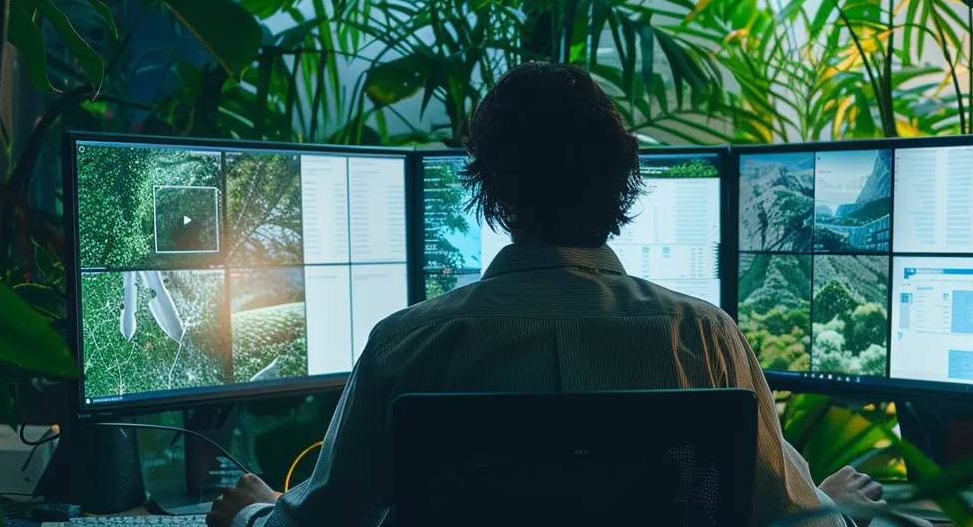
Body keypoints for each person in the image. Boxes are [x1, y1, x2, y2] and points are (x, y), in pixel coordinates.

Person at [209, 62, 882, 527]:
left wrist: (255, 510)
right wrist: (826, 501)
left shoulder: (411, 343)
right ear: (622, 183)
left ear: (493, 192)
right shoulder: (701, 335)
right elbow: (794, 522)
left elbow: (323, 522)